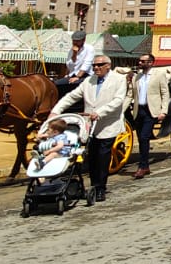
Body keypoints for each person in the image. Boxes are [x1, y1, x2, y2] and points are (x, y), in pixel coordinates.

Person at [47, 53, 126, 204]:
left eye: (99, 65)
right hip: (90, 125)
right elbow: (72, 96)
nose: (96, 68)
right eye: (94, 65)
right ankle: (92, 185)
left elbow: (118, 100)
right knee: (91, 156)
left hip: (108, 124)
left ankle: (100, 187)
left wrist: (100, 112)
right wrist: (56, 111)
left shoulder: (118, 80)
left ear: (108, 66)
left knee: (103, 156)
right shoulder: (88, 81)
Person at [128, 53, 171, 180]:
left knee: (144, 136)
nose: (140, 63)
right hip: (138, 110)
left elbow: (165, 93)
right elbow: (132, 94)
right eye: (140, 61)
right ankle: (145, 165)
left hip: (151, 111)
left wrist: (164, 111)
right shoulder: (137, 77)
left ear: (151, 62)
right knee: (141, 139)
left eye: (143, 61)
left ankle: (142, 166)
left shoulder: (159, 75)